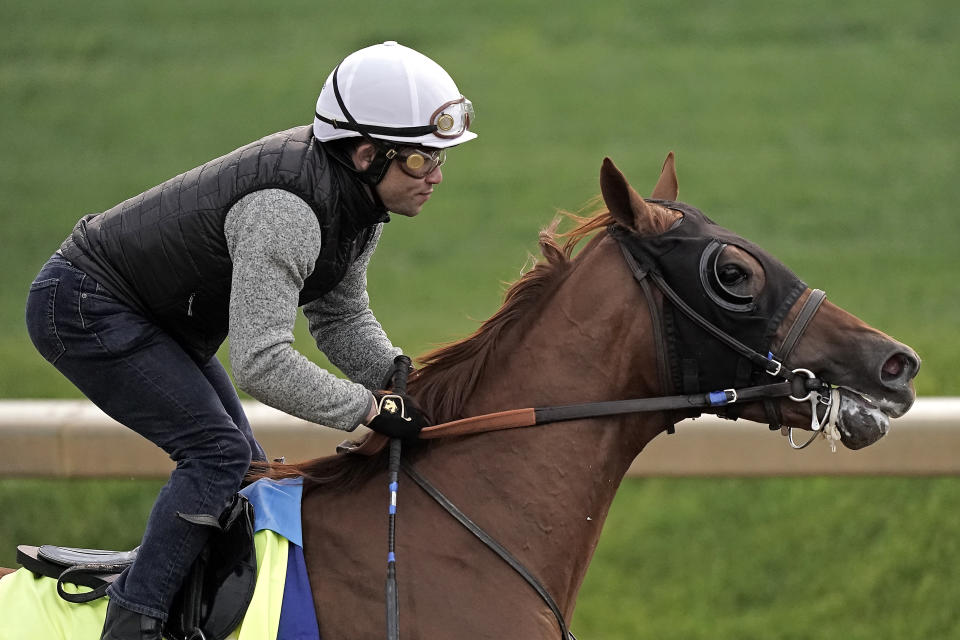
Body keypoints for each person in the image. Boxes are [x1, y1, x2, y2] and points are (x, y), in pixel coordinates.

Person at [24, 40, 475, 640]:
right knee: (217, 456)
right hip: (83, 306)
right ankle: (134, 623)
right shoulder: (286, 211)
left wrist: (404, 385)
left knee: (247, 469)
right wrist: (368, 408)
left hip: (153, 317)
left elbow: (339, 318)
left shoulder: (355, 201)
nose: (437, 176)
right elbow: (261, 363)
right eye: (421, 161)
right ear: (368, 154)